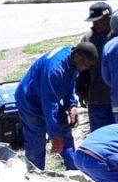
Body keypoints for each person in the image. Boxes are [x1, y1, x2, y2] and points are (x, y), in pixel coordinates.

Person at [14, 42, 98, 170]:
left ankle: (74, 172)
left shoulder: (72, 60)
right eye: (86, 65)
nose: (86, 69)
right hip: (30, 101)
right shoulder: (54, 70)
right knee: (36, 143)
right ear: (77, 57)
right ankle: (35, 176)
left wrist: (71, 105)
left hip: (49, 98)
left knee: (66, 137)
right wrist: (55, 136)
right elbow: (49, 106)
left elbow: (69, 81)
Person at [76, 1, 114, 132]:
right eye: (93, 22)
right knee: (100, 138)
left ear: (109, 19)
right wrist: (81, 91)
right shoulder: (88, 39)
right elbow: (81, 69)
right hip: (96, 100)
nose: (95, 25)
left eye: (98, 21)